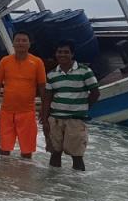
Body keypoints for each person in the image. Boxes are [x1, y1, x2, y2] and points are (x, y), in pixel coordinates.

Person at [41, 40, 100, 170]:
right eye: (59, 52)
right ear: (55, 54)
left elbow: (95, 93)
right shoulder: (52, 74)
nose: (62, 55)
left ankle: (76, 186)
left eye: (66, 52)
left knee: (77, 155)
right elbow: (47, 98)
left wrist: (83, 109)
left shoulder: (85, 71)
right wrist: (44, 119)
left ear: (72, 54)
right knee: (55, 153)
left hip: (75, 120)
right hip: (55, 119)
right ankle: (54, 185)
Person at [0, 30, 46, 159]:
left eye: (24, 40)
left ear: (29, 44)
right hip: (6, 111)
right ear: (13, 43)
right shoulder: (5, 61)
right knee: (4, 150)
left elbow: (42, 86)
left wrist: (44, 107)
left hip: (27, 112)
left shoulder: (37, 62)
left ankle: (24, 177)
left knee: (26, 151)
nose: (21, 43)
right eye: (17, 40)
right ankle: (3, 177)